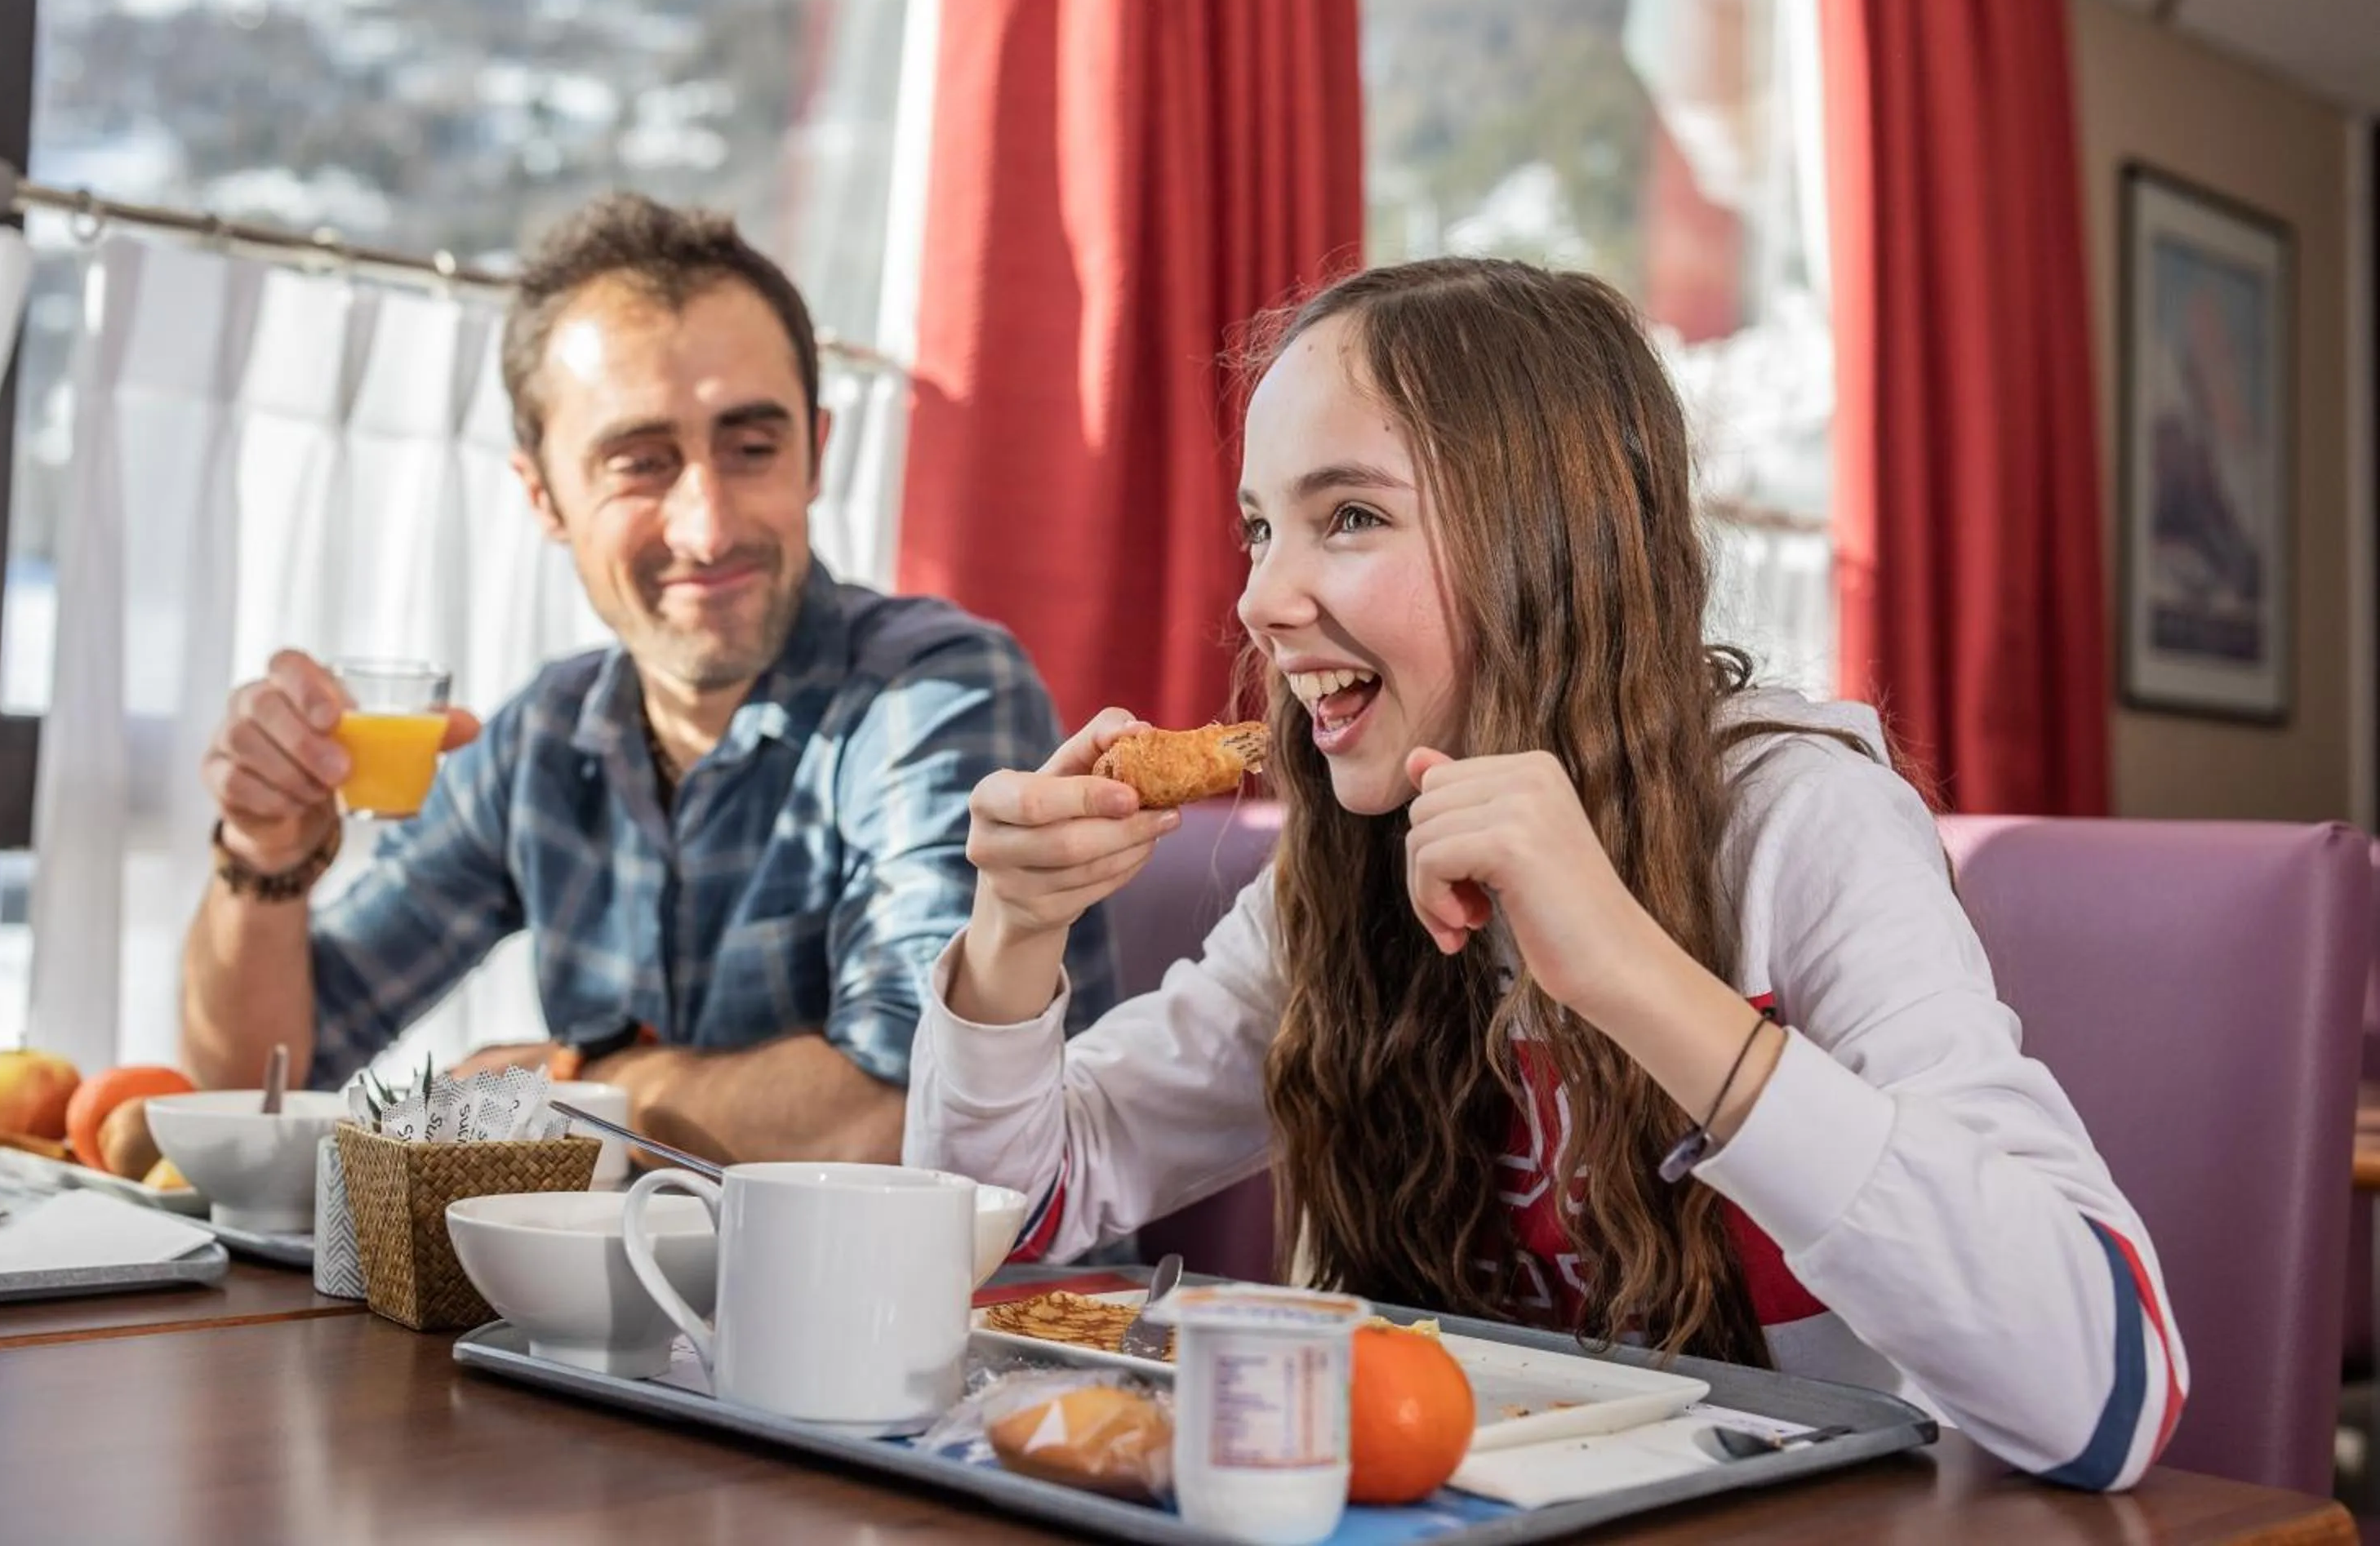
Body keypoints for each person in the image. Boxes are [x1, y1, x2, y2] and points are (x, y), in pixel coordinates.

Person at [905, 259, 2185, 1489]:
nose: (1261, 597)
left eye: (1349, 517)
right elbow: (994, 1227)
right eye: (1259, 528)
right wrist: (1014, 937)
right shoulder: (1348, 862)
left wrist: (1627, 972)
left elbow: (2107, 1395)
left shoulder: (1804, 823)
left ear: (1551, 544)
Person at [180, 193, 1116, 1164]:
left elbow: (905, 1117)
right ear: (543, 495)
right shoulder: (546, 731)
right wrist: (263, 853)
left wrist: (576, 1087)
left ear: (817, 455)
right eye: (640, 463)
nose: (708, 526)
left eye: (753, 449)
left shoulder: (937, 692)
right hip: (631, 1312)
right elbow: (264, 1082)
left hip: (967, 1310)